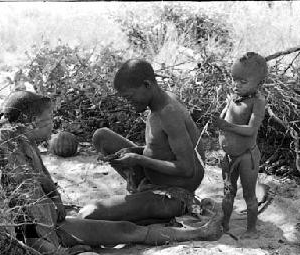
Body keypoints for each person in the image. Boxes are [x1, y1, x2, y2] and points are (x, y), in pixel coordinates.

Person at [0, 90, 221, 255]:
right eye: (49, 121)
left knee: (124, 228)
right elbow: (23, 203)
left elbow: (40, 186)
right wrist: (60, 253)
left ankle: (191, 230)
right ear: (33, 123)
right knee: (121, 231)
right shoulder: (9, 142)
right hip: (40, 236)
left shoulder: (21, 140)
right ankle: (196, 232)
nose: (52, 127)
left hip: (53, 225)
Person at [84, 59, 209, 226]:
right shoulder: (159, 104)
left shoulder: (169, 114)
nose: (128, 103)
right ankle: (140, 198)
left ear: (146, 85)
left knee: (92, 213)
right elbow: (164, 148)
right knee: (102, 136)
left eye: (130, 97)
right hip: (153, 180)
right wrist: (134, 152)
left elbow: (187, 169)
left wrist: (139, 159)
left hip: (173, 194)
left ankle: (158, 209)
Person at [213, 52, 269, 238]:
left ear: (258, 83)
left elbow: (251, 130)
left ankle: (251, 230)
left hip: (247, 157)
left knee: (249, 195)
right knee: (228, 191)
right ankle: (224, 224)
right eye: (234, 80)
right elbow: (225, 114)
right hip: (229, 155)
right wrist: (219, 119)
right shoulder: (234, 96)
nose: (236, 85)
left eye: (242, 82)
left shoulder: (258, 102)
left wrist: (227, 126)